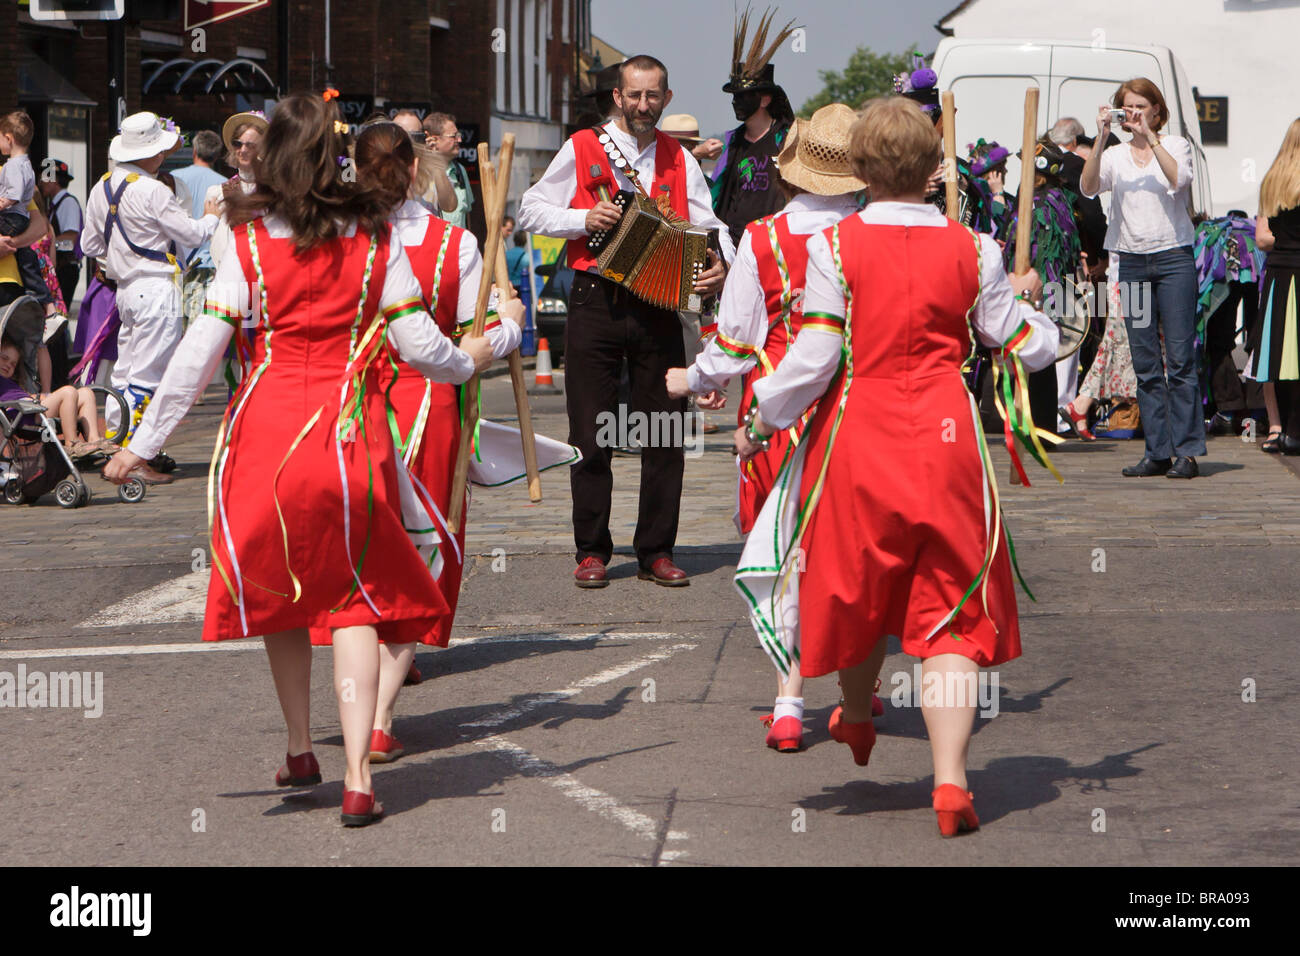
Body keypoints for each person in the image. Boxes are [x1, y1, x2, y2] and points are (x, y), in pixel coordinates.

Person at [104, 92, 497, 827]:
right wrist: (470, 359)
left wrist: (142, 446)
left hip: (269, 433)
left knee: (281, 592)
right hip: (352, 435)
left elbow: (198, 355)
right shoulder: (377, 239)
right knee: (353, 600)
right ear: (337, 160)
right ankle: (355, 775)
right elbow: (423, 351)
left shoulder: (246, 243)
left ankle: (297, 745)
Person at [733, 96, 1058, 836]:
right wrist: (1032, 311)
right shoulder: (974, 249)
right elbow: (1025, 346)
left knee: (856, 588)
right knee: (953, 613)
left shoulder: (834, 248)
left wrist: (760, 419)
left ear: (860, 168)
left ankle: (853, 713)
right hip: (948, 444)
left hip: (860, 437)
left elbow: (813, 360)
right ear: (933, 167)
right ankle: (950, 782)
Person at [666, 103, 870, 753]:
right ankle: (855, 696)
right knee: (849, 549)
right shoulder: (871, 234)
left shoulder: (762, 238)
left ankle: (789, 700)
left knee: (781, 551)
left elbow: (734, 338)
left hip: (776, 409)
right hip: (854, 409)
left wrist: (699, 379)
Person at [518, 54, 734, 588]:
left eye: (652, 96)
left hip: (659, 303)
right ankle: (591, 551)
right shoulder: (582, 146)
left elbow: (711, 224)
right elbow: (528, 209)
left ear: (667, 98)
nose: (642, 105)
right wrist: (580, 218)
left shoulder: (678, 160)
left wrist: (720, 263)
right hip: (596, 298)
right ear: (618, 96)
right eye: (633, 95)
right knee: (590, 429)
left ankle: (656, 551)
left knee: (665, 429)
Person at [80, 112, 221, 480]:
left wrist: (119, 257)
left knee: (125, 372)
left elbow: (89, 244)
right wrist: (211, 217)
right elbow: (190, 234)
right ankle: (137, 457)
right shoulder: (154, 190)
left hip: (125, 290)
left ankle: (118, 442)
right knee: (149, 375)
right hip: (156, 287)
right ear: (153, 154)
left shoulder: (102, 186)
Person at [1080, 78, 1203, 478]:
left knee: (1181, 360)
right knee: (1146, 362)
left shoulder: (1175, 145)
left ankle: (1186, 452)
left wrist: (1151, 137)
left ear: (1155, 110)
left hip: (1173, 259)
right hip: (1131, 261)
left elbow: (1179, 179)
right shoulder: (1114, 156)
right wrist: (1099, 138)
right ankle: (1157, 450)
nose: (1133, 114)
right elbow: (1088, 186)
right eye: (1126, 108)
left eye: (1140, 107)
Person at [710, 11, 799, 247]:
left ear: (765, 100)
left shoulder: (788, 139)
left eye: (744, 96)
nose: (736, 102)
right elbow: (717, 196)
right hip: (737, 246)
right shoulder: (733, 143)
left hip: (776, 242)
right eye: (735, 96)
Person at [1246, 117, 1300, 453]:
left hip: (1279, 275)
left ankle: (1282, 429)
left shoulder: (1273, 182)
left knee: (1280, 355)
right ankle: (1294, 430)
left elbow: (1265, 234)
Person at [171, 130, 229, 329]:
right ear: (217, 155)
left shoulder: (173, 178)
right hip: (208, 264)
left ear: (194, 150)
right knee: (198, 328)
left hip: (177, 264)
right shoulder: (225, 185)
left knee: (173, 329)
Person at [0, 111, 52, 311]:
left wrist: (10, 243)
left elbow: (40, 226)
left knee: (9, 342)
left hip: (9, 279)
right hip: (11, 277)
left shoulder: (8, 171)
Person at [36, 160, 83, 307]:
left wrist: (44, 244)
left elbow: (70, 241)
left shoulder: (68, 203)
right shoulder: (55, 204)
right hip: (60, 267)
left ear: (53, 180)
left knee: (59, 313)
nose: (40, 183)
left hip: (65, 269)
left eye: (43, 178)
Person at [391, 109, 456, 215]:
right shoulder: (381, 165)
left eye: (414, 136)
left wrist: (435, 160)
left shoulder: (431, 167)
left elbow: (449, 206)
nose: (408, 142)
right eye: (400, 135)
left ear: (424, 138)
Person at [424, 112, 472, 229]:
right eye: (453, 136)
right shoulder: (419, 171)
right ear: (433, 139)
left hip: (458, 245)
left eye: (459, 135)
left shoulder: (460, 171)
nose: (459, 140)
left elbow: (466, 215)